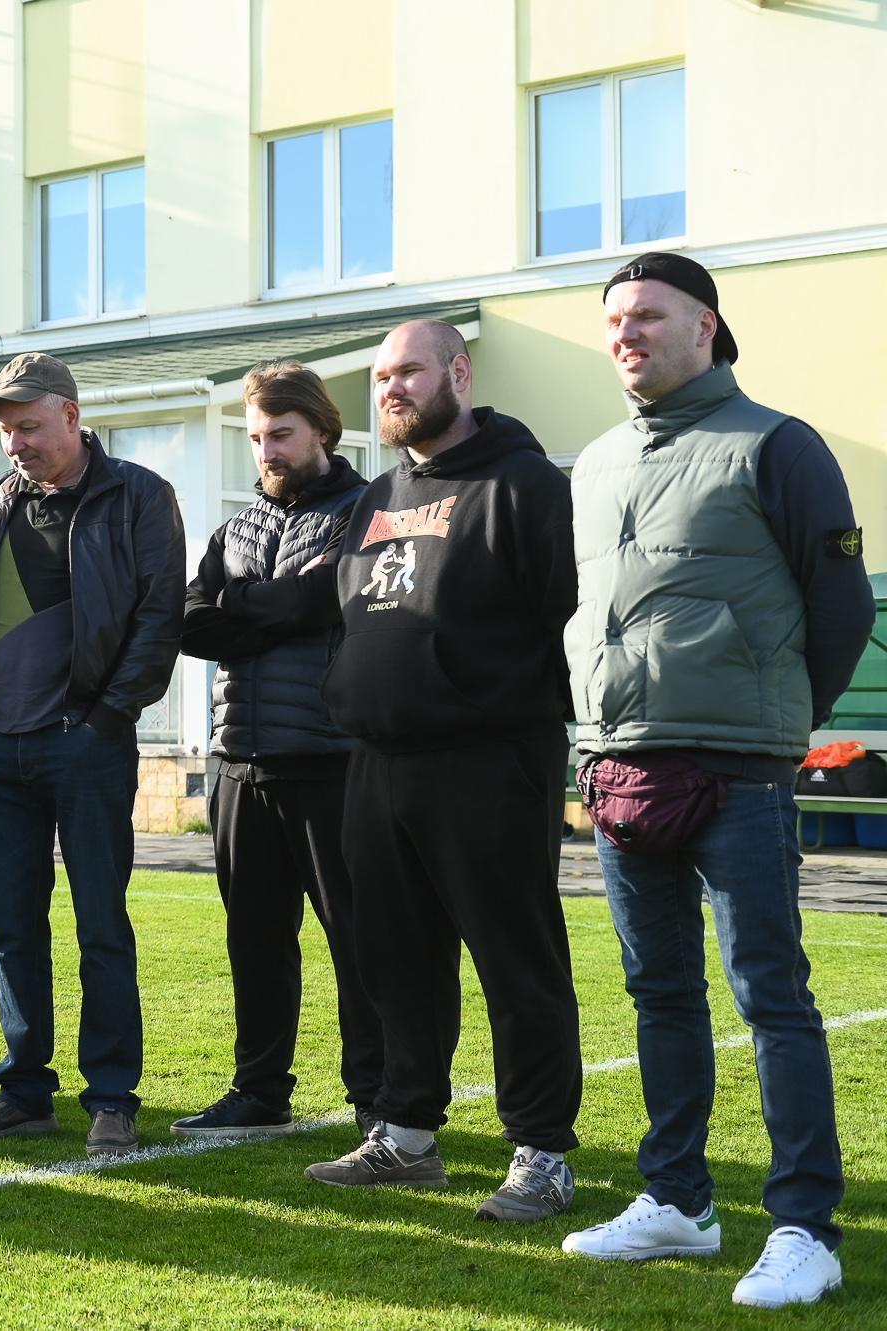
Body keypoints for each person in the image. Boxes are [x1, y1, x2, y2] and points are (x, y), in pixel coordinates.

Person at [207, 321, 584, 1222]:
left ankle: (542, 1153)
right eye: (381, 376)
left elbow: (568, 618)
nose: (392, 388)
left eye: (409, 370)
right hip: (376, 761)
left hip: (489, 760)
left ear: (459, 372)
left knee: (516, 960)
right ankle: (406, 1135)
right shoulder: (381, 493)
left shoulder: (524, 485)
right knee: (397, 960)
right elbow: (347, 606)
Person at [558, 254, 876, 1308]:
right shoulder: (596, 460)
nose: (626, 332)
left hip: (739, 769)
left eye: (648, 315)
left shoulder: (777, 444)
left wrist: (781, 718)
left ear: (705, 325)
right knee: (658, 992)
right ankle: (677, 1201)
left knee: (768, 995)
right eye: (614, 318)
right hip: (620, 764)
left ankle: (804, 1228)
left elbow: (841, 607)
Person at [0, 353, 184, 1157]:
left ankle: (112, 1097)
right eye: (6, 431)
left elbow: (159, 616)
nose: (16, 443)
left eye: (29, 426)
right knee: (11, 929)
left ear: (73, 417)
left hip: (84, 746)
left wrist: (107, 718)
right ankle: (24, 1091)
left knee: (100, 925)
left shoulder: (139, 495)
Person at [175, 361, 382, 1141]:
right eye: (258, 437)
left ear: (322, 430)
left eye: (281, 434)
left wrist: (246, 605)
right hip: (241, 761)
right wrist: (277, 609)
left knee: (358, 940)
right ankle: (259, 1090)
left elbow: (331, 598)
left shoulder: (367, 510)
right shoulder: (235, 530)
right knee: (255, 939)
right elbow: (190, 621)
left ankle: (377, 1098)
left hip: (333, 760)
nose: (267, 450)